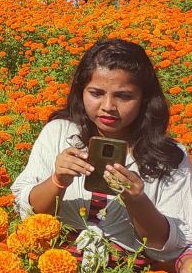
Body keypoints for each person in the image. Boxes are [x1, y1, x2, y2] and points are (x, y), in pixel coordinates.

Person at [11, 39, 192, 271]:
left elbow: (166, 246)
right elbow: (29, 214)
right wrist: (57, 180)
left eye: (124, 96)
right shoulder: (59, 133)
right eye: (96, 93)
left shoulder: (169, 155)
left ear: (144, 99)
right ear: (81, 92)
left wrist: (137, 201)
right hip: (55, 263)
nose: (108, 106)